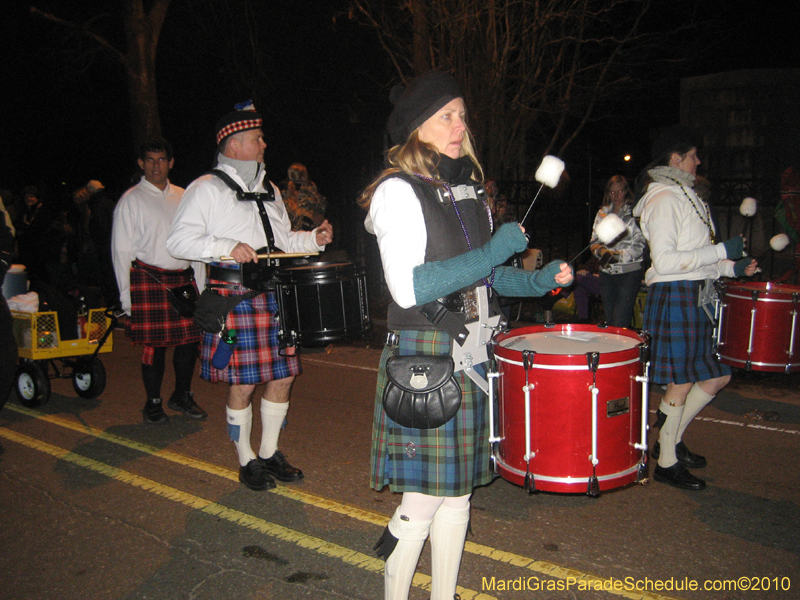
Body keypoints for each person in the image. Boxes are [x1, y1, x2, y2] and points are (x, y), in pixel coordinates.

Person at [359, 71, 573, 600]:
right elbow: (410, 288)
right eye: (446, 116)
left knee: (459, 497)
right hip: (426, 354)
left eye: (461, 114)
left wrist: (537, 281)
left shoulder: (467, 189)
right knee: (423, 502)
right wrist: (493, 251)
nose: (460, 124)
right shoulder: (396, 191)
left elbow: (487, 275)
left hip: (473, 348)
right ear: (416, 129)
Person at [167, 101, 333, 491]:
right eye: (256, 138)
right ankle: (246, 460)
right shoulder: (205, 189)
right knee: (242, 383)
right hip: (235, 295)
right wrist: (226, 245)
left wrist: (313, 238)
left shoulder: (271, 188)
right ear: (234, 143)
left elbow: (280, 241)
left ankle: (270, 451)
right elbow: (177, 241)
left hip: (274, 295)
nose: (263, 144)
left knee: (284, 375)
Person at [633, 126, 758, 491]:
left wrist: (731, 266)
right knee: (683, 380)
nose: (698, 161)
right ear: (675, 158)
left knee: (718, 375)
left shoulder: (687, 195)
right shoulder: (663, 199)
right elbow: (668, 261)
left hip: (699, 294)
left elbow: (699, 258)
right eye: (692, 155)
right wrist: (721, 251)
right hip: (676, 295)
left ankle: (668, 440)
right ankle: (667, 462)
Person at [111, 138, 207, 424]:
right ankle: (153, 402)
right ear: (141, 164)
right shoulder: (130, 200)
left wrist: (201, 288)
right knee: (155, 346)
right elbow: (121, 251)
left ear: (171, 162)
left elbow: (197, 243)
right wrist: (126, 298)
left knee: (190, 342)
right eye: (150, 160)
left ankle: (182, 395)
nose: (156, 165)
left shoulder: (184, 195)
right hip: (148, 280)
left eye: (161, 159)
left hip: (183, 278)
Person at [589, 175, 646, 328]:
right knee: (609, 318)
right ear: (608, 193)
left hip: (629, 272)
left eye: (620, 191)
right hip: (607, 272)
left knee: (621, 318)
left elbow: (640, 244)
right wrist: (602, 252)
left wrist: (619, 257)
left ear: (626, 191)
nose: (616, 196)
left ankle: (624, 349)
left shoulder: (634, 214)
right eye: (613, 192)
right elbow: (594, 241)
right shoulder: (602, 214)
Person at [279, 163, 328, 231]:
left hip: (308, 229)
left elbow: (321, 206)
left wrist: (318, 215)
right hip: (293, 230)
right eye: (302, 174)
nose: (304, 177)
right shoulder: (285, 190)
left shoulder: (310, 189)